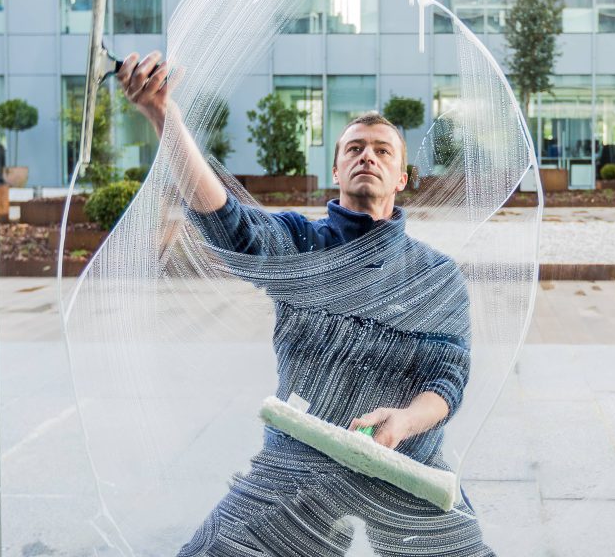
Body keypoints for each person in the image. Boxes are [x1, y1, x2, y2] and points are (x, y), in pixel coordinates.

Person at [116, 51, 494, 557]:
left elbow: (447, 380)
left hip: (407, 464)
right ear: (336, 169)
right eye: (355, 148)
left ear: (403, 177)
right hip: (298, 462)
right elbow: (230, 224)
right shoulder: (301, 245)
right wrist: (166, 117)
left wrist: (405, 421)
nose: (369, 157)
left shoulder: (436, 275)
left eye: (384, 151)